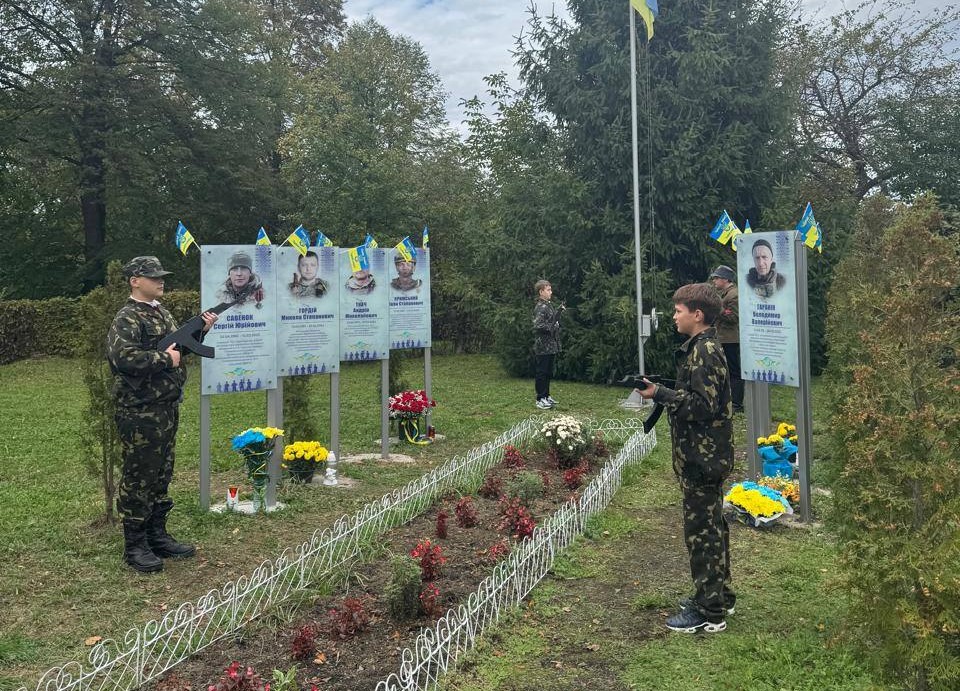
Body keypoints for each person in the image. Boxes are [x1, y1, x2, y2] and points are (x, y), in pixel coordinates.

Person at [106, 256, 218, 573]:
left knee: (161, 473)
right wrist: (163, 360)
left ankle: (157, 535)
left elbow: (178, 349)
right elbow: (123, 358)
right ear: (135, 280)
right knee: (140, 475)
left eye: (162, 277)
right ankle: (135, 545)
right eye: (154, 277)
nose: (161, 281)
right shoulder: (127, 317)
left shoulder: (162, 313)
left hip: (165, 406)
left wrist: (202, 332)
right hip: (140, 410)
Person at [634, 283, 734, 633]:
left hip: (701, 458)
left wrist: (660, 394)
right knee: (712, 527)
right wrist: (664, 390)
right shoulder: (701, 348)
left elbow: (702, 405)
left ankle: (709, 611)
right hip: (704, 456)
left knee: (701, 533)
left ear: (698, 314)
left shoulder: (705, 351)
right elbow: (696, 394)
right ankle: (720, 594)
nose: (674, 316)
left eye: (678, 310)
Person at [709, 265, 744, 412]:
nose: (714, 281)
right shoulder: (725, 293)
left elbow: (734, 318)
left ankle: (736, 403)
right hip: (723, 337)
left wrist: (718, 308)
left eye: (717, 278)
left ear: (725, 279)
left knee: (734, 371)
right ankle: (727, 400)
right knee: (723, 370)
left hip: (730, 339)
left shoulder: (734, 295)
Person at [532, 279, 563, 409]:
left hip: (551, 344)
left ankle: (546, 396)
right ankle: (540, 398)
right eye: (548, 290)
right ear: (541, 292)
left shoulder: (548, 305)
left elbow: (551, 320)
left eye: (550, 289)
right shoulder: (540, 307)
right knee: (542, 372)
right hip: (543, 345)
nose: (551, 292)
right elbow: (538, 325)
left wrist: (557, 318)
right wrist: (552, 326)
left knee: (548, 371)